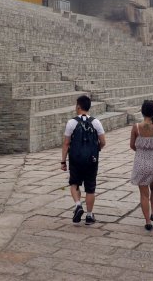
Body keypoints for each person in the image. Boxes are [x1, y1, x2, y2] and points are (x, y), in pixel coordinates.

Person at [61, 95, 106, 225]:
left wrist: (63, 161)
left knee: (74, 183)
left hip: (75, 159)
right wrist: (95, 150)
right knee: (90, 188)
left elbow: (66, 143)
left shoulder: (71, 123)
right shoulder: (96, 122)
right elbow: (103, 141)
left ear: (79, 107)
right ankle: (89, 216)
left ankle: (77, 204)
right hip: (91, 159)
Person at [130, 99, 153, 230]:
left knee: (144, 194)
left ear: (142, 111)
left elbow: (132, 145)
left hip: (140, 162)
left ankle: (147, 222)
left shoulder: (136, 127)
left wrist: (141, 151)